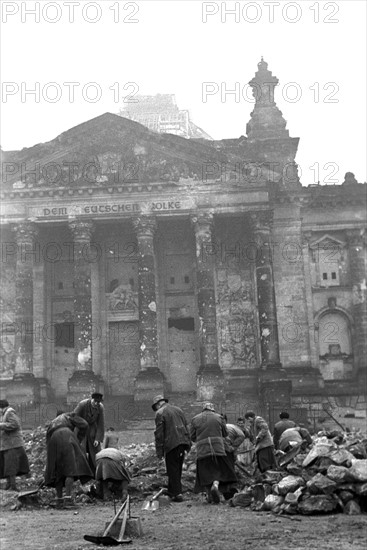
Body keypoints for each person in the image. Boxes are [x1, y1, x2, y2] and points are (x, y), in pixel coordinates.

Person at [190, 403, 237, 504]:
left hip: (202, 449)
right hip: (218, 448)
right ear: (212, 409)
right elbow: (225, 434)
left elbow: (192, 437)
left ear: (203, 409)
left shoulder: (195, 419)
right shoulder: (219, 417)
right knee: (219, 469)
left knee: (205, 471)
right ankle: (216, 484)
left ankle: (209, 496)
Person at [45, 411, 94, 506]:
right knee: (70, 469)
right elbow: (84, 424)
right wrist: (78, 438)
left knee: (57, 472)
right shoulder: (68, 415)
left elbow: (48, 442)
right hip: (67, 436)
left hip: (53, 441)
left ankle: (59, 499)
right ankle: (68, 499)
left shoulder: (51, 424)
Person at [153, 395, 191, 502]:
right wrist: (188, 443)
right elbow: (186, 425)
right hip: (183, 442)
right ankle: (172, 490)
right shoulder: (178, 410)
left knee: (172, 468)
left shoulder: (160, 413)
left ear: (158, 404)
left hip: (171, 443)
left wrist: (159, 452)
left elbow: (159, 434)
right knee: (177, 467)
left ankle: (177, 493)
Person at [0, 399, 29, 491]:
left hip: (13, 444)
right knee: (7, 465)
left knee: (11, 465)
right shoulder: (4, 414)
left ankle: (13, 486)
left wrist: (1, 425)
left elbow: (15, 424)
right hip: (8, 444)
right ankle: (9, 484)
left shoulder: (9, 412)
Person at [74, 392, 105, 473]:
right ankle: (81, 472)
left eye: (98, 402)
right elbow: (74, 417)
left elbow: (101, 423)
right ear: (92, 399)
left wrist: (98, 438)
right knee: (81, 451)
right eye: (95, 401)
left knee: (95, 452)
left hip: (92, 432)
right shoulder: (82, 404)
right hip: (81, 431)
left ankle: (96, 472)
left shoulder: (100, 407)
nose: (96, 403)